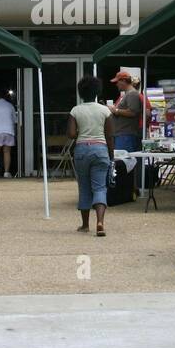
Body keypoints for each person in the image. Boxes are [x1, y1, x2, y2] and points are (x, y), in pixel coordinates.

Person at [67, 76, 114, 237]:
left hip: (81, 150)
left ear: (81, 93)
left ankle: (85, 224)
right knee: (100, 187)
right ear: (97, 92)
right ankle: (100, 222)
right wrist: (111, 155)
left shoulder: (75, 110)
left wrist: (82, 132)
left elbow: (71, 134)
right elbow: (109, 136)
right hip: (100, 149)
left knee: (84, 187)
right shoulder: (104, 110)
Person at [108, 71, 144, 152]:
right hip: (123, 135)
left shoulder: (132, 94)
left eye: (117, 82)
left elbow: (133, 112)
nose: (116, 84)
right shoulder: (127, 94)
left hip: (126, 135)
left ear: (123, 81)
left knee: (123, 161)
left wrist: (116, 110)